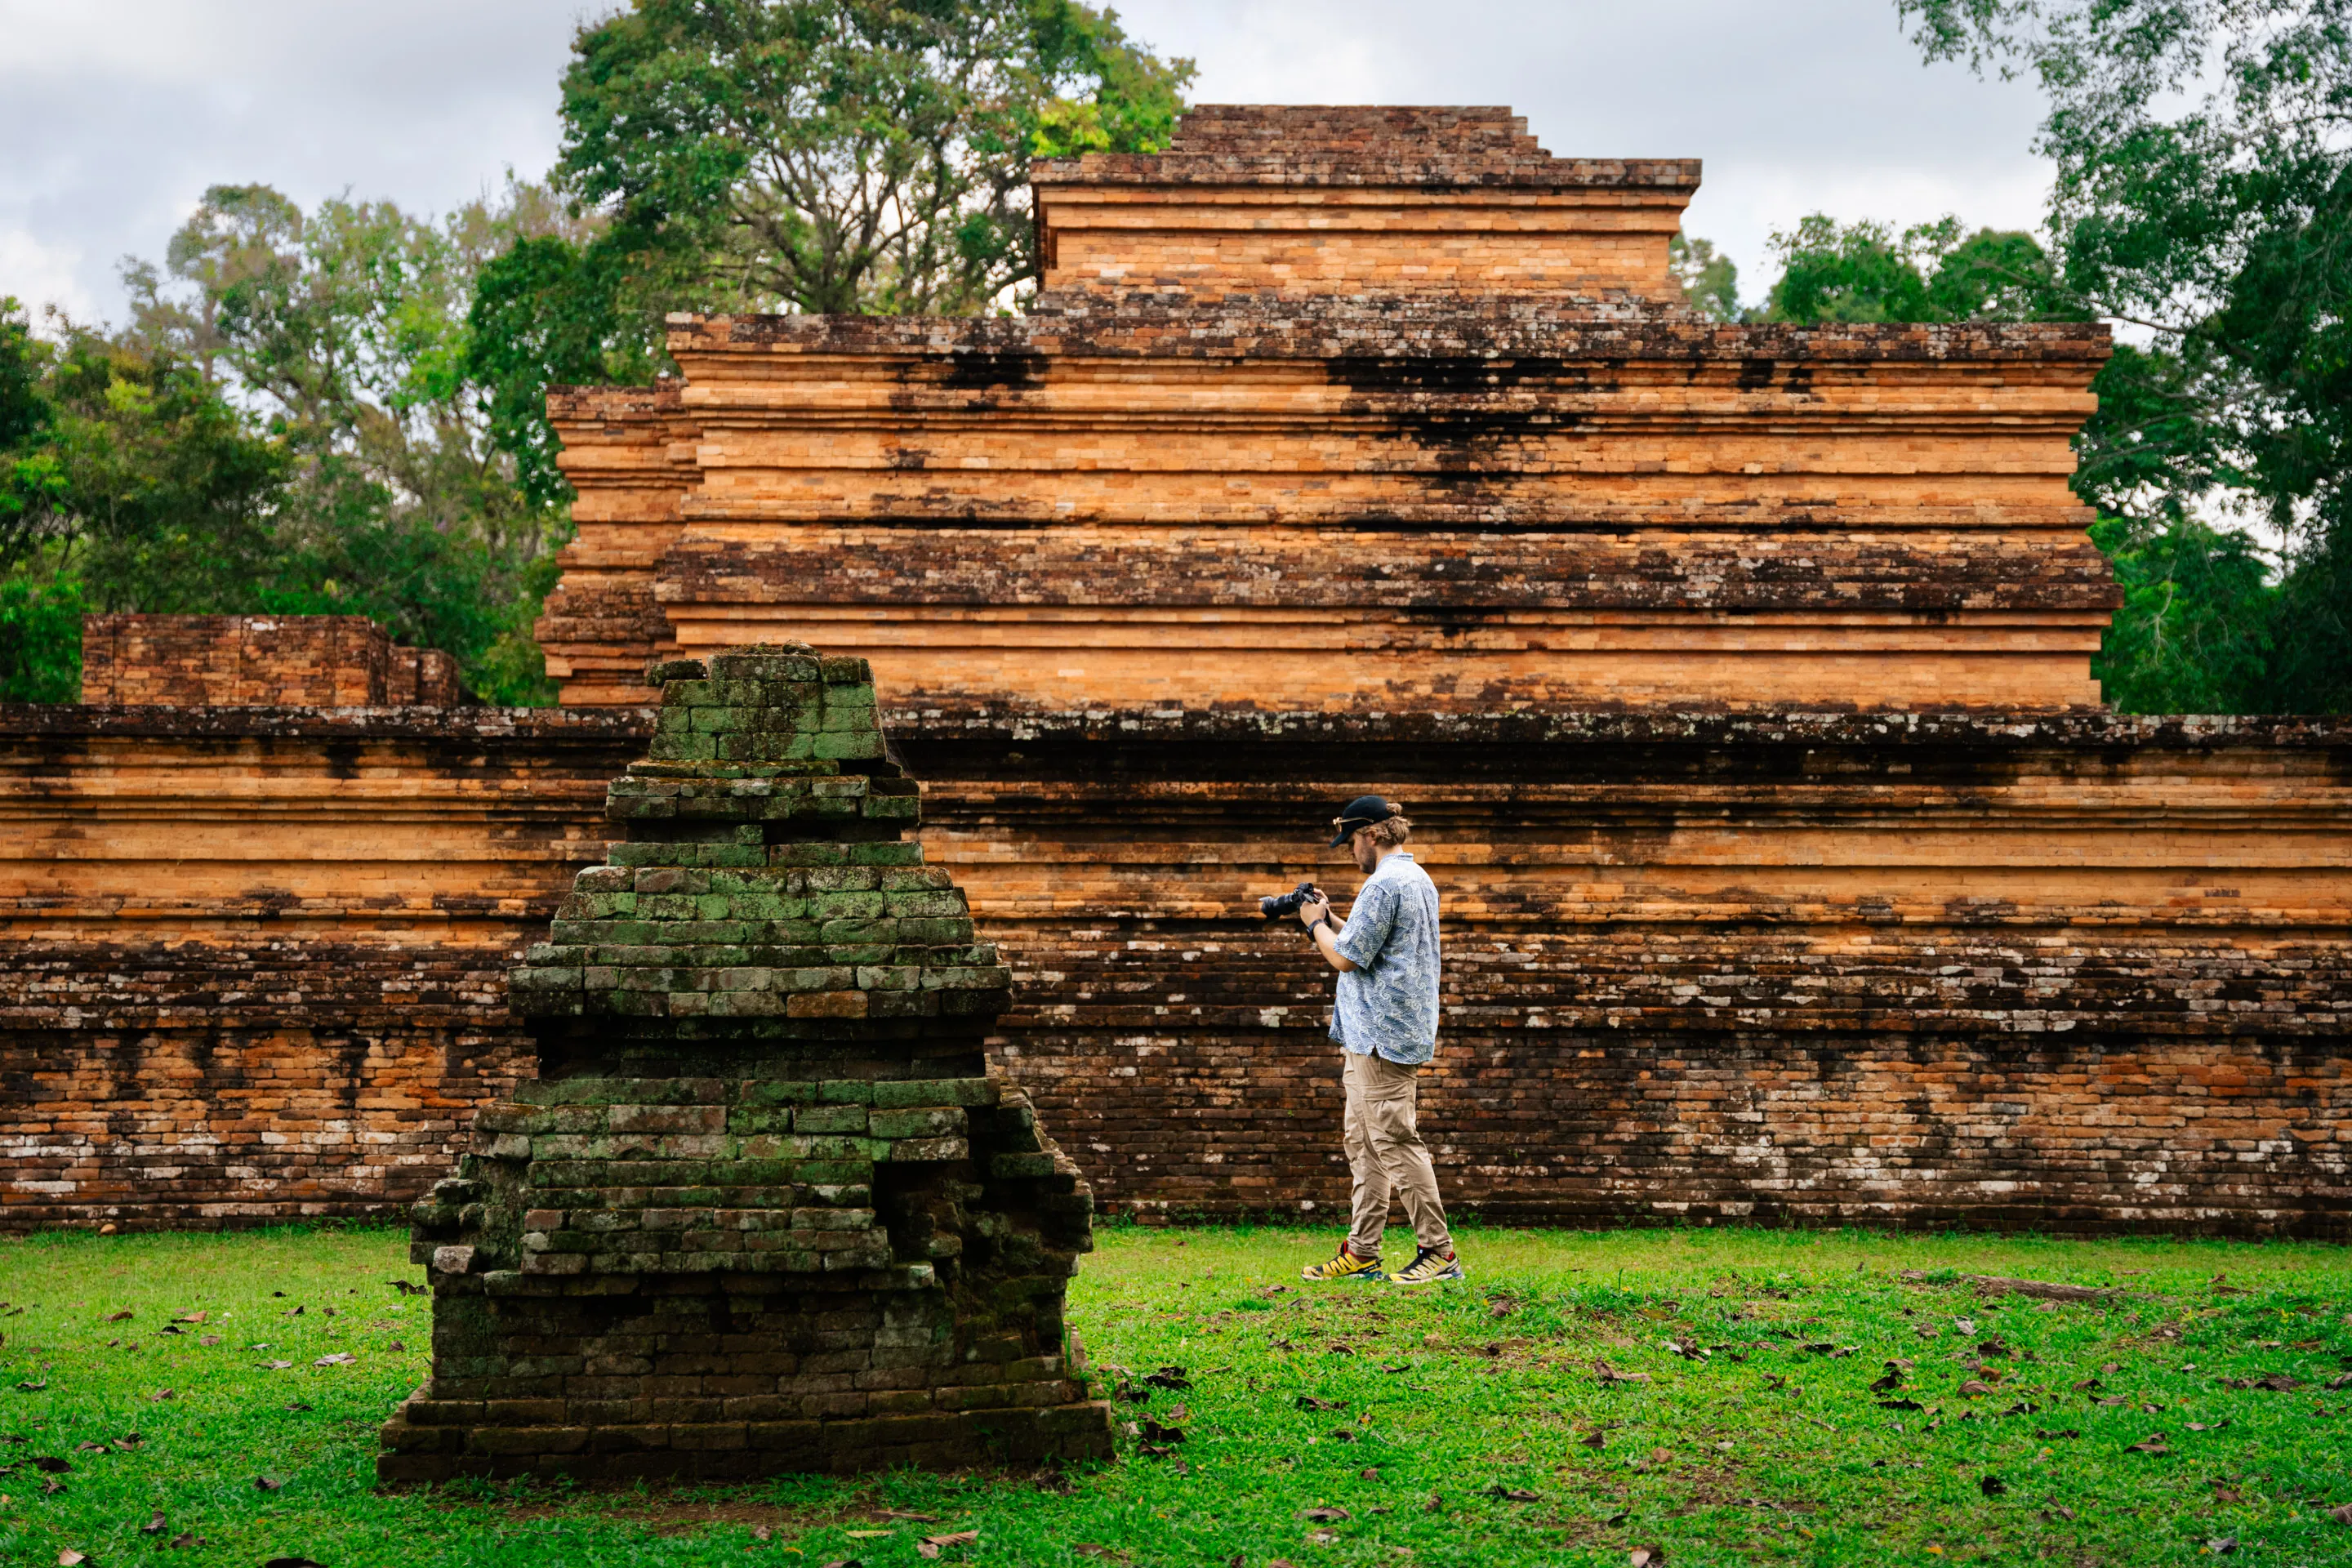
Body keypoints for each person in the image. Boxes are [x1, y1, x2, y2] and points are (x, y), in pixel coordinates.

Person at [1294, 795, 1463, 1285]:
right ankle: (1363, 1250)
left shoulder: (1383, 884)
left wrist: (1312, 925)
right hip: (1372, 1034)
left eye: (1350, 841)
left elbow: (1345, 960)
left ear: (1371, 834)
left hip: (1382, 1038)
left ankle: (1439, 1252)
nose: (1350, 851)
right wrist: (1329, 921)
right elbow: (1365, 946)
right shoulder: (1415, 879)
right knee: (1363, 1142)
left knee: (1393, 1140)